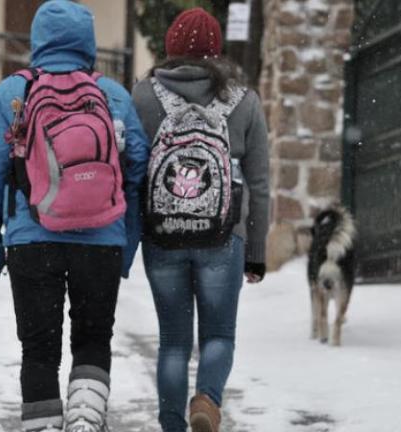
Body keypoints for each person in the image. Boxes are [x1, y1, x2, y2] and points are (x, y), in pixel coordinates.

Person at [0, 1, 149, 431]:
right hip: (101, 241)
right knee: (91, 341)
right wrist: (124, 246)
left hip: (33, 241)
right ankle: (86, 420)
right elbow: (137, 172)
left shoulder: (14, 94)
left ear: (37, 40)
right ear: (88, 43)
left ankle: (45, 425)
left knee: (39, 351)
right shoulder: (114, 96)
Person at [132, 8, 270, 432]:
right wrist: (257, 252)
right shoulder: (244, 102)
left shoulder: (143, 97)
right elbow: (260, 183)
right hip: (223, 237)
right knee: (218, 336)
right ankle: (207, 400)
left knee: (173, 343)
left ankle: (171, 424)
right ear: (217, 51)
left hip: (164, 236)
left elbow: (132, 172)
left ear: (169, 48)